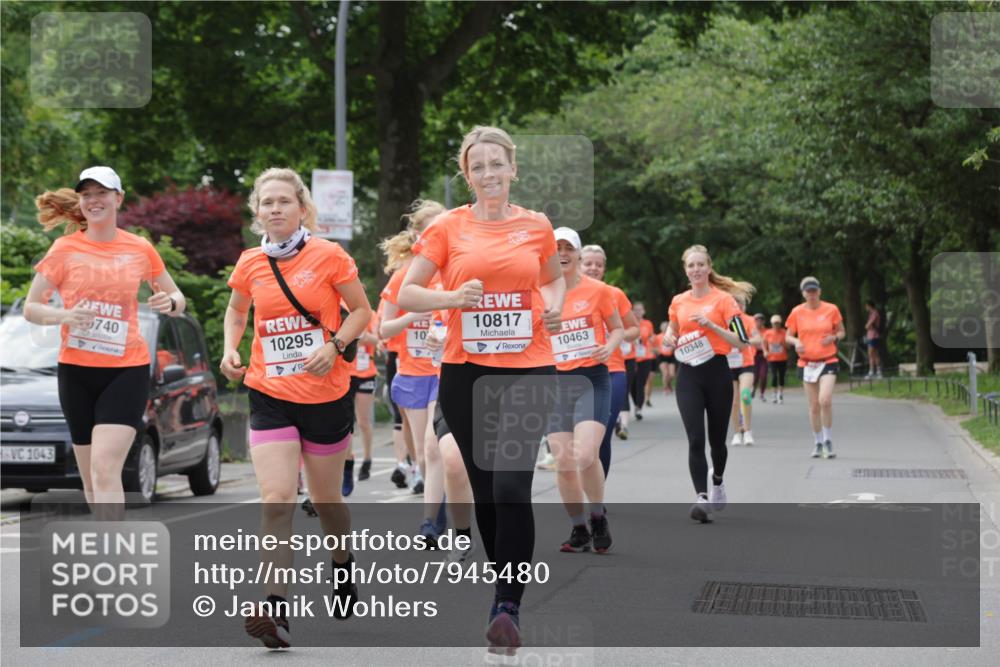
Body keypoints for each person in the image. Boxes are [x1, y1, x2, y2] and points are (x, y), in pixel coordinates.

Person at [398, 125, 564, 655]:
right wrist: (450, 297)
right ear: (466, 176)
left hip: (528, 367)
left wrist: (554, 301)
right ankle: (503, 587)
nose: (488, 174)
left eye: (497, 164)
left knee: (513, 486)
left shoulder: (537, 226)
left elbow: (552, 279)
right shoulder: (448, 227)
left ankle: (508, 606)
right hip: (466, 371)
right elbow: (408, 292)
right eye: (478, 167)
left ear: (513, 168)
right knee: (488, 488)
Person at [220, 167, 372, 649]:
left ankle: (343, 565)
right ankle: (275, 609)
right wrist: (231, 349)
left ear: (302, 208)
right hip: (269, 394)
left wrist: (335, 344)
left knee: (328, 504)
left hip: (326, 396)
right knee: (277, 498)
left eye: (285, 201)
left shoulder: (329, 255)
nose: (276, 209)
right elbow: (237, 310)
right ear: (257, 212)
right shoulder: (249, 263)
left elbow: (363, 311)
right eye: (267, 203)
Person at [24, 167, 187, 518]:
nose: (94, 201)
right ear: (80, 201)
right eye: (87, 194)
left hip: (125, 369)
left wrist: (168, 302)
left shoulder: (139, 248)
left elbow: (177, 296)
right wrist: (62, 317)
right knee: (90, 479)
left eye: (102, 193)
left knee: (104, 468)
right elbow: (31, 308)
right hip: (76, 372)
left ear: (119, 198)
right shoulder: (64, 248)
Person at [547, 227, 623, 554]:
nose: (562, 252)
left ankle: (597, 515)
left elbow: (619, 328)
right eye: (557, 247)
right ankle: (578, 527)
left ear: (578, 254)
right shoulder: (539, 293)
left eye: (569, 247)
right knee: (563, 463)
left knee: (586, 453)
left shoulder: (600, 291)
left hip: (592, 378)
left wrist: (609, 346)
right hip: (553, 384)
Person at [663, 245, 752, 524]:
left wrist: (711, 326)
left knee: (717, 441)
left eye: (701, 264)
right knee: (695, 438)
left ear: (709, 267)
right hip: (689, 373)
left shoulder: (725, 301)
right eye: (691, 266)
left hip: (717, 372)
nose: (696, 270)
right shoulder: (679, 301)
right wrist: (668, 337)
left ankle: (718, 480)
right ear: (685, 270)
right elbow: (672, 328)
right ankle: (701, 497)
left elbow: (742, 340)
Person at [379, 200, 448, 545]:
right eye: (430, 228)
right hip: (412, 371)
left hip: (446, 370)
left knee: (435, 448)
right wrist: (413, 318)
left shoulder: (456, 269)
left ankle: (431, 522)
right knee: (422, 453)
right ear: (419, 235)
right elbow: (384, 329)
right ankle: (441, 509)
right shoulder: (404, 276)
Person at [580, 244, 640, 475]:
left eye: (599, 264)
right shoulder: (560, 292)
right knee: (574, 441)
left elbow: (633, 329)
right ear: (578, 262)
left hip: (611, 371)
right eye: (588, 263)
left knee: (600, 435)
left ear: (604, 269)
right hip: (570, 373)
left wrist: (614, 336)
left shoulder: (613, 294)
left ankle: (595, 500)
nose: (593, 268)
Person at [784, 276, 845, 459]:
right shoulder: (797, 312)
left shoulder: (831, 309)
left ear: (819, 291)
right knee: (813, 406)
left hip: (828, 360)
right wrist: (796, 342)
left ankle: (828, 440)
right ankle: (817, 442)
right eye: (807, 291)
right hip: (807, 362)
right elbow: (787, 336)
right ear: (803, 293)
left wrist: (834, 338)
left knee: (824, 399)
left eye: (814, 290)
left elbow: (842, 331)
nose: (811, 294)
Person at [346, 317, 379, 487]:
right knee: (346, 421)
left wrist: (364, 337)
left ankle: (367, 459)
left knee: (364, 421)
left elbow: (378, 338)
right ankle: (348, 459)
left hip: (366, 372)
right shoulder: (343, 310)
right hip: (347, 373)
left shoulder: (370, 314)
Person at [727, 299, 760, 447]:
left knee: (745, 395)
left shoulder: (749, 320)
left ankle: (747, 431)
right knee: (733, 401)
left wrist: (744, 342)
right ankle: (736, 433)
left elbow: (758, 338)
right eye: (736, 303)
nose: (739, 306)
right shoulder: (724, 320)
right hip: (729, 363)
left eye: (741, 304)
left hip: (746, 362)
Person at [632, 303, 656, 414]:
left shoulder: (648, 324)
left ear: (643, 311)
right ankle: (637, 402)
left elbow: (651, 336)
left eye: (640, 310)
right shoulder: (629, 324)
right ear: (632, 312)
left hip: (646, 356)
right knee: (632, 383)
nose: (638, 312)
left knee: (641, 382)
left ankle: (639, 407)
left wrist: (652, 339)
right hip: (631, 357)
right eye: (635, 310)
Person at [764, 315, 789, 403]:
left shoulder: (784, 332)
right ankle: (774, 394)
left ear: (780, 324)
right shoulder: (768, 333)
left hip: (782, 358)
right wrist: (765, 351)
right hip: (772, 358)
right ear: (772, 324)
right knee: (774, 376)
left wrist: (783, 343)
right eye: (775, 323)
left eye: (778, 323)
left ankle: (780, 394)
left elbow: (789, 346)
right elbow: (764, 343)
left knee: (781, 376)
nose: (776, 325)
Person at [751, 313, 769, 402]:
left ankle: (762, 393)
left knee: (763, 375)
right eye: (757, 320)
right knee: (755, 375)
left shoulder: (766, 331)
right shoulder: (751, 330)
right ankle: (753, 389)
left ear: (763, 321)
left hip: (764, 355)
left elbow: (770, 342)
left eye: (760, 320)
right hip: (753, 355)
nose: (759, 322)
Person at [656, 321, 677, 395]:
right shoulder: (658, 337)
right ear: (661, 328)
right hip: (662, 356)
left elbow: (676, 345)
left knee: (672, 374)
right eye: (663, 326)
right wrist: (658, 350)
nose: (665, 328)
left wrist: (673, 347)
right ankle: (665, 388)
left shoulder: (672, 335)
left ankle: (668, 384)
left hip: (671, 356)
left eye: (666, 326)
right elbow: (654, 347)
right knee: (665, 373)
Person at [865, 300, 883, 378]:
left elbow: (868, 325)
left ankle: (873, 371)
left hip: (873, 335)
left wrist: (868, 326)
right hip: (871, 335)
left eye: (866, 306)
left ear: (869, 306)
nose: (866, 308)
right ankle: (876, 371)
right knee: (874, 354)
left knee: (871, 353)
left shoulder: (874, 314)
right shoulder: (872, 314)